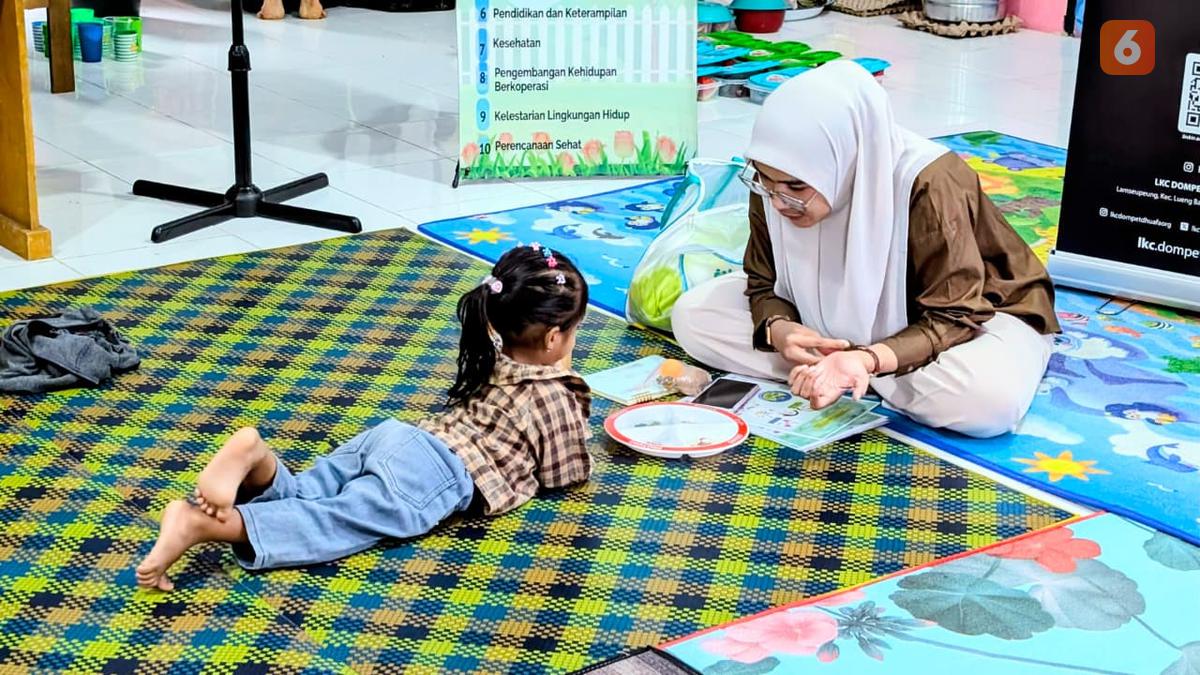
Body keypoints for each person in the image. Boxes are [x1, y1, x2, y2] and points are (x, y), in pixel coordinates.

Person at [136, 245, 592, 590]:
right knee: (332, 520)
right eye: (576, 328)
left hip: (399, 437)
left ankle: (257, 457)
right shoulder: (553, 395)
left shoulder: (490, 351)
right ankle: (205, 525)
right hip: (435, 477)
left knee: (311, 490)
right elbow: (564, 474)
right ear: (554, 338)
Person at [672, 62, 1060, 439]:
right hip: (823, 321)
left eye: (796, 187)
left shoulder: (927, 181)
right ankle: (839, 369)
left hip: (969, 318)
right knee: (693, 316)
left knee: (987, 401)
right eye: (766, 182)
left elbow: (955, 313)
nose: (778, 201)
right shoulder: (772, 176)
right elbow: (762, 279)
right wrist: (779, 329)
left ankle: (848, 370)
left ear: (842, 161)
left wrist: (868, 358)